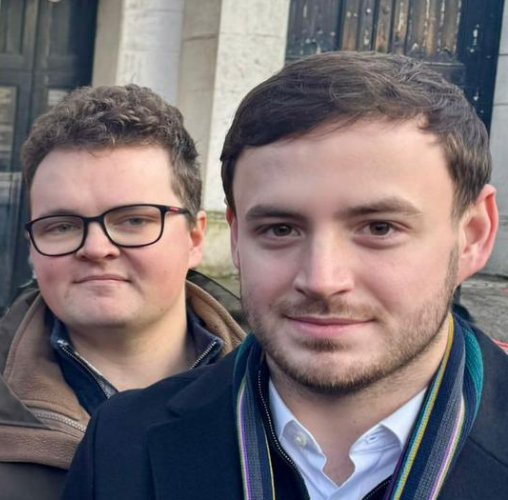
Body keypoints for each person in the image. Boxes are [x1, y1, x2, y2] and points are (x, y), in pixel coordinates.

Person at [63, 51, 508, 499]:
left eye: (379, 228)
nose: (321, 279)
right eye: (280, 230)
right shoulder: (123, 445)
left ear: (473, 235)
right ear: (236, 239)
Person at [0, 84, 247, 499]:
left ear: (196, 237)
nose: (96, 249)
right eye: (62, 226)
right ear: (32, 249)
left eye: (133, 220)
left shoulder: (286, 403)